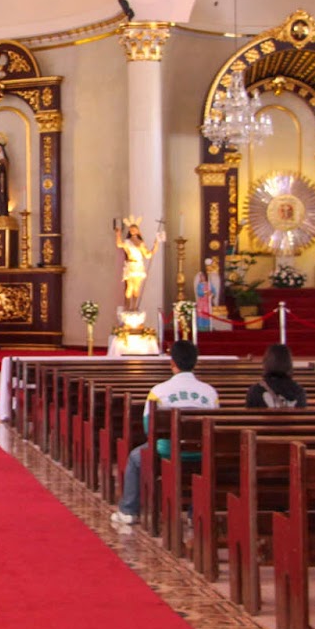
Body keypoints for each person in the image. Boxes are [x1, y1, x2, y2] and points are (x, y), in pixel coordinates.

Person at [111, 339, 216, 526]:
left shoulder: (159, 391)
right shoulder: (210, 393)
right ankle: (194, 513)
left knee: (135, 457)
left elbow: (148, 429)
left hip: (166, 451)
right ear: (195, 362)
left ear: (172, 363)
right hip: (202, 452)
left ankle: (128, 510)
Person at [114, 217, 165, 314]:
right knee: (129, 287)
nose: (133, 230)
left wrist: (156, 245)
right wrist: (118, 234)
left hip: (138, 266)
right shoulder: (127, 242)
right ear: (129, 230)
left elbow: (148, 255)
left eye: (135, 228)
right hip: (130, 265)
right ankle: (127, 306)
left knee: (136, 287)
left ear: (138, 230)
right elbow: (119, 244)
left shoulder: (141, 243)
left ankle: (134, 306)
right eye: (131, 228)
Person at [245, 343, 308, 409]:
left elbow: (248, 416)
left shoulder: (255, 390)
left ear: (266, 363)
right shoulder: (298, 391)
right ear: (289, 364)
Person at [194, 257, 221, 332]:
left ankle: (207, 326)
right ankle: (200, 327)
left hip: (207, 301)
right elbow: (199, 292)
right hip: (201, 301)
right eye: (200, 276)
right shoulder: (200, 285)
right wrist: (205, 292)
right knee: (201, 313)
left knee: (207, 313)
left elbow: (214, 291)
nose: (201, 277)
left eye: (202, 276)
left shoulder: (209, 284)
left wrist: (211, 293)